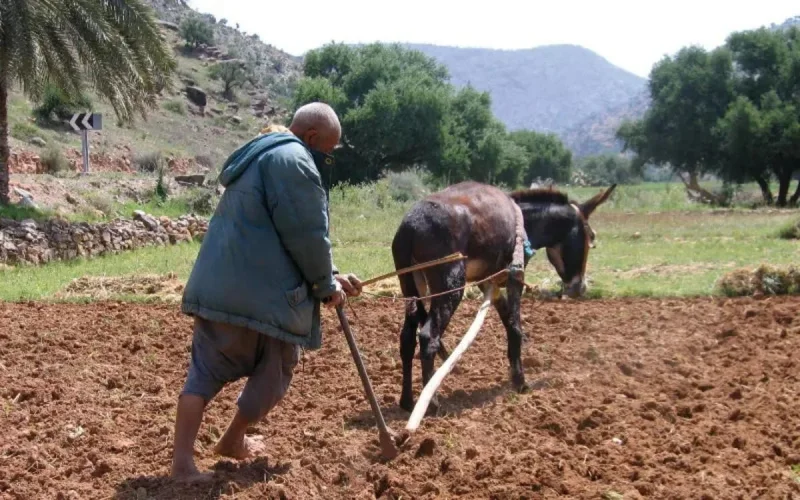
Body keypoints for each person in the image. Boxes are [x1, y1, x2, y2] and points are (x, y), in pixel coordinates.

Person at [171, 102, 362, 482]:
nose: (326, 158)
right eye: (327, 150)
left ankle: (182, 465)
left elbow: (277, 235)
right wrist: (325, 287)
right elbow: (306, 236)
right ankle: (232, 437)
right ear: (311, 138)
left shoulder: (259, 155)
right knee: (276, 368)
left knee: (203, 374)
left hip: (216, 289)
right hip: (263, 298)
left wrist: (332, 276)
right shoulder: (296, 161)